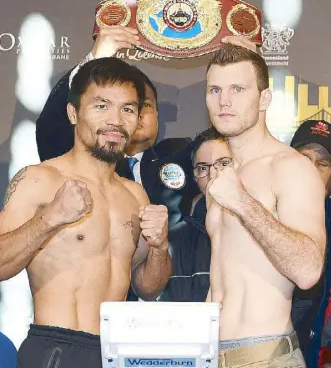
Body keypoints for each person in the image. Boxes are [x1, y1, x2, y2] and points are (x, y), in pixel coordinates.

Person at [0, 57, 171, 368]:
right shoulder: (39, 179)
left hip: (120, 359)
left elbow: (148, 287)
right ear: (73, 114)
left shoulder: (134, 194)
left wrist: (159, 247)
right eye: (102, 106)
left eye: (127, 109)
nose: (115, 120)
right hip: (58, 351)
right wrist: (49, 219)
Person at [187, 44, 326, 368]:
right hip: (205, 367)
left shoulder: (291, 168)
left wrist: (243, 204)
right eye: (215, 90)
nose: (224, 101)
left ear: (264, 99)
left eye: (238, 89)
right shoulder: (225, 175)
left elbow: (308, 269)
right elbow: (224, 276)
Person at [36, 26, 258, 231]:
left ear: (158, 114)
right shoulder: (89, 160)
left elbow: (237, 142)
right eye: (129, 107)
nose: (137, 114)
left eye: (147, 106)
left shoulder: (182, 155)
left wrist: (249, 71)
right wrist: (94, 61)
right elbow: (50, 129)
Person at [160, 127, 231, 302]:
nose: (213, 174)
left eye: (223, 163)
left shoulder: (259, 226)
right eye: (203, 167)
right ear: (194, 177)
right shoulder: (177, 239)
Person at [290, 120, 331, 368]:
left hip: (318, 367)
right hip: (268, 366)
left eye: (324, 163)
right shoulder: (264, 215)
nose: (313, 170)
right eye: (305, 159)